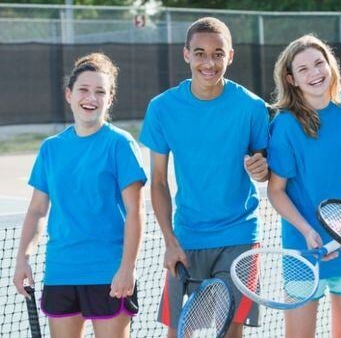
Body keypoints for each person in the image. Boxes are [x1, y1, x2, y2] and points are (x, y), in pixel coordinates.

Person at [139, 17, 269, 338]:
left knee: (231, 329)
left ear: (230, 56)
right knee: (178, 331)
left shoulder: (252, 107)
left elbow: (265, 167)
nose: (208, 62)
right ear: (186, 54)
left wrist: (262, 169)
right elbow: (157, 181)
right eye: (200, 53)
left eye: (217, 54)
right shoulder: (162, 108)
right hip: (186, 238)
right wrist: (170, 241)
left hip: (239, 234)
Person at [13, 53, 146, 338]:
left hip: (108, 272)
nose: (91, 97)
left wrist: (127, 268)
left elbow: (135, 211)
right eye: (84, 90)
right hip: (61, 271)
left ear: (109, 99)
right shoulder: (51, 148)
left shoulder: (120, 144)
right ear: (69, 94)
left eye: (100, 92)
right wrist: (22, 257)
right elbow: (37, 210)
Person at [267, 34, 341, 338]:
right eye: (303, 69)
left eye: (318, 63)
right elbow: (276, 190)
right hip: (303, 249)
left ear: (330, 65)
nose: (314, 73)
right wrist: (307, 231)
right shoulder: (285, 124)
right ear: (292, 79)